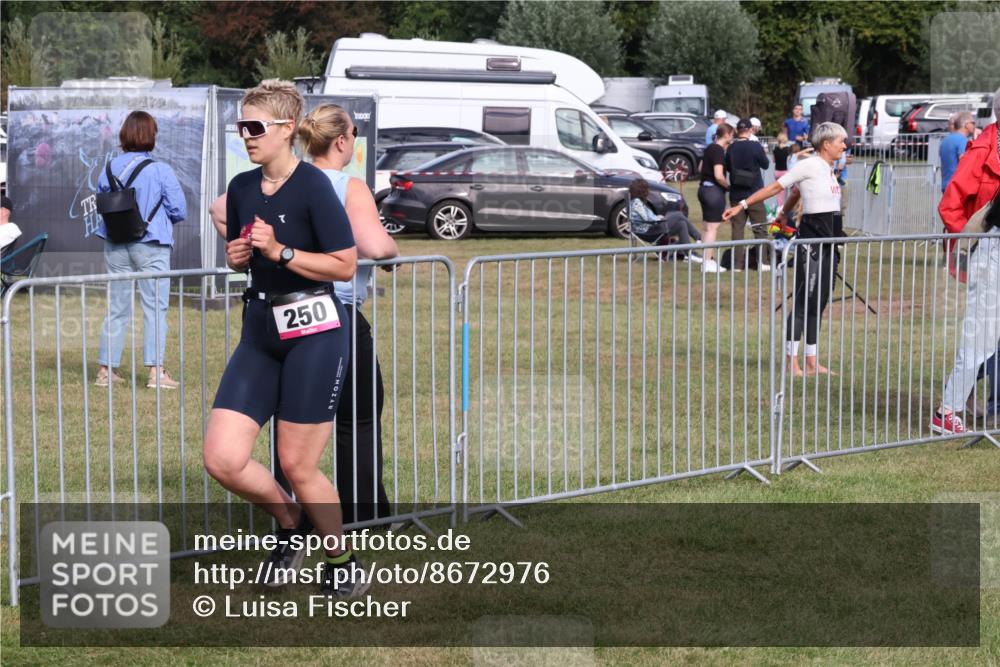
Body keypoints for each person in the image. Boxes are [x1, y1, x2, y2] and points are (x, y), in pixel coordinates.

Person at [202, 80, 367, 598]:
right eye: (241, 127)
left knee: (297, 464)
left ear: (286, 129)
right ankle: (293, 524)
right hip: (259, 333)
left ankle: (342, 561)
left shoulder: (314, 186)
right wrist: (237, 257)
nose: (246, 136)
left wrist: (282, 253)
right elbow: (241, 251)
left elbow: (345, 265)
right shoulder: (241, 187)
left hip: (315, 334)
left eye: (255, 127)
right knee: (222, 458)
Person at [298, 103, 400, 525]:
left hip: (290, 310)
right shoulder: (348, 186)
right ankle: (363, 516)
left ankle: (296, 518)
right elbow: (376, 246)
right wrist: (393, 252)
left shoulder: (285, 178)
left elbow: (220, 208)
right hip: (336, 311)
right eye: (354, 134)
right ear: (342, 141)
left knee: (297, 421)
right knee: (357, 416)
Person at [724, 122, 848, 376]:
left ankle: (812, 361)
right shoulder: (809, 164)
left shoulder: (827, 168)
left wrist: (783, 214)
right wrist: (742, 205)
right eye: (841, 142)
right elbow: (776, 187)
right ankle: (792, 362)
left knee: (819, 303)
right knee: (803, 303)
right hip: (811, 244)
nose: (844, 146)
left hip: (829, 243)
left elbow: (796, 192)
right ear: (826, 144)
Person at [95, 111, 187, 389]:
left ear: (124, 135)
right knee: (155, 309)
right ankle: (156, 373)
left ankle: (105, 371)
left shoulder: (108, 169)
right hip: (151, 244)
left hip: (115, 243)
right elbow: (179, 209)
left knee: (117, 307)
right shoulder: (160, 170)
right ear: (151, 136)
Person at [932, 88, 1000, 434]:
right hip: (990, 250)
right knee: (980, 337)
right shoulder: (983, 149)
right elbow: (951, 205)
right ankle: (948, 410)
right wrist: (971, 244)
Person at [724, 118, 772, 272]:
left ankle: (737, 265)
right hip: (754, 192)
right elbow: (765, 164)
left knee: (737, 229)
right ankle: (762, 262)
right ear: (751, 130)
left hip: (736, 192)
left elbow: (728, 167)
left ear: (737, 131)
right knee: (760, 228)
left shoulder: (731, 148)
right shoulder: (755, 146)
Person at [627, 178, 702, 262]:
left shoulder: (636, 201)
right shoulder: (636, 202)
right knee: (678, 214)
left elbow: (647, 216)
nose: (648, 191)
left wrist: (657, 216)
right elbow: (647, 219)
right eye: (647, 189)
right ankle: (698, 238)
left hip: (651, 228)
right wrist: (658, 218)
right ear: (642, 191)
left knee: (681, 224)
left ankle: (690, 253)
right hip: (648, 231)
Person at [697, 122, 734, 273]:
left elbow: (700, 168)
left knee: (707, 227)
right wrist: (728, 186)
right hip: (713, 191)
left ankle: (706, 260)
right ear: (727, 135)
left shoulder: (709, 148)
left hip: (703, 189)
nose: (732, 138)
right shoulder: (718, 150)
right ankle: (708, 263)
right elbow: (719, 175)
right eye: (732, 135)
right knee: (713, 228)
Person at [940, 111, 976, 192]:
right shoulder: (963, 140)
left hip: (946, 185)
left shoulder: (945, 140)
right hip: (958, 187)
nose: (974, 125)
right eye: (973, 123)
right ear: (966, 124)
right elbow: (964, 162)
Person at [772, 130, 792, 208]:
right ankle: (784, 208)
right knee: (787, 192)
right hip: (784, 172)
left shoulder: (775, 149)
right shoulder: (788, 149)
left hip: (777, 172)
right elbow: (790, 160)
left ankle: (779, 207)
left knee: (779, 192)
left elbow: (773, 161)